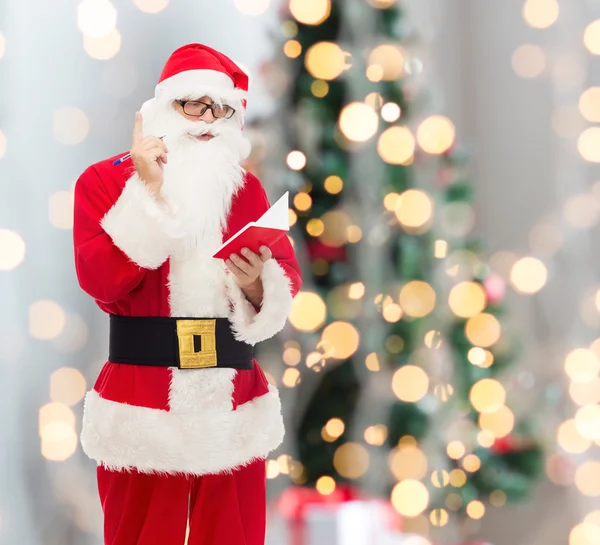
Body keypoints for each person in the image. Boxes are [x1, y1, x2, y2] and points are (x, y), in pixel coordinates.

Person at [73, 43, 302, 545]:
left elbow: (283, 276)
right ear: (161, 109)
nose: (206, 119)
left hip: (232, 409)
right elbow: (102, 283)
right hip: (143, 410)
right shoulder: (103, 184)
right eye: (191, 104)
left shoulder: (248, 193)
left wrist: (254, 285)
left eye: (219, 108)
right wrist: (149, 195)